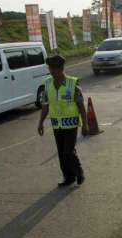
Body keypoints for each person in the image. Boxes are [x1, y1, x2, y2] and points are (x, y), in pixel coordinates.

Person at [37, 55, 89, 187]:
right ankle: (68, 177)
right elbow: (45, 105)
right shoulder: (47, 83)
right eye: (50, 68)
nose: (51, 71)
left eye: (53, 69)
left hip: (71, 124)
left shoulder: (73, 83)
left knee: (68, 152)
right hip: (56, 124)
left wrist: (85, 124)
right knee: (61, 153)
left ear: (61, 69)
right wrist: (41, 122)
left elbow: (81, 105)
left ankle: (79, 172)